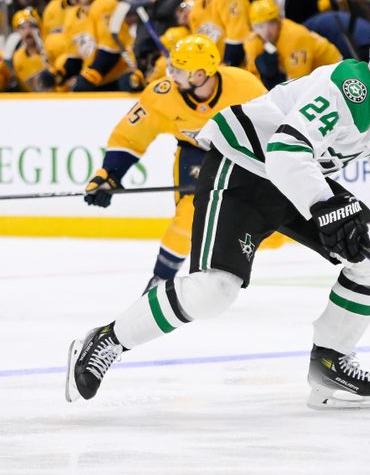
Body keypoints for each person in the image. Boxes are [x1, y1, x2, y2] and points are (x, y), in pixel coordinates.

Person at [66, 22, 370, 410]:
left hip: (298, 177)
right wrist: (325, 205)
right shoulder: (348, 85)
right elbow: (285, 149)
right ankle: (107, 340)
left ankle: (330, 365)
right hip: (244, 168)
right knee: (214, 291)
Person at [83, 34, 267, 292]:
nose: (171, 74)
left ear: (200, 74)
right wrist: (110, 174)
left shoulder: (246, 87)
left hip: (239, 156)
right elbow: (129, 136)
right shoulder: (162, 95)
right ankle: (160, 280)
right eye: (173, 67)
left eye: (179, 70)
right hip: (195, 154)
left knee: (254, 224)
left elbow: (271, 128)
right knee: (190, 216)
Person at [41, 0, 141, 92]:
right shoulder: (72, 15)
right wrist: (61, 73)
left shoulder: (105, 4)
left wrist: (91, 76)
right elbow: (76, 58)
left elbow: (111, 51)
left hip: (120, 74)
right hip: (98, 78)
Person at [244, 0, 341, 90]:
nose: (266, 31)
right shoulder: (252, 39)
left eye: (271, 23)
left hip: (333, 70)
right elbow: (252, 76)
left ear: (279, 21)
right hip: (300, 72)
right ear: (252, 27)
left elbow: (299, 84)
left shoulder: (295, 37)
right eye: (259, 26)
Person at [188, 0, 251, 67]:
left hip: (240, 69)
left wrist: (226, 65)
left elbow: (238, 39)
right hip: (212, 67)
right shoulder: (197, 7)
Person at [11, 7, 50, 91]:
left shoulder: (50, 48)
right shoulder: (17, 57)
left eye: (32, 26)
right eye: (22, 28)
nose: (27, 32)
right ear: (17, 31)